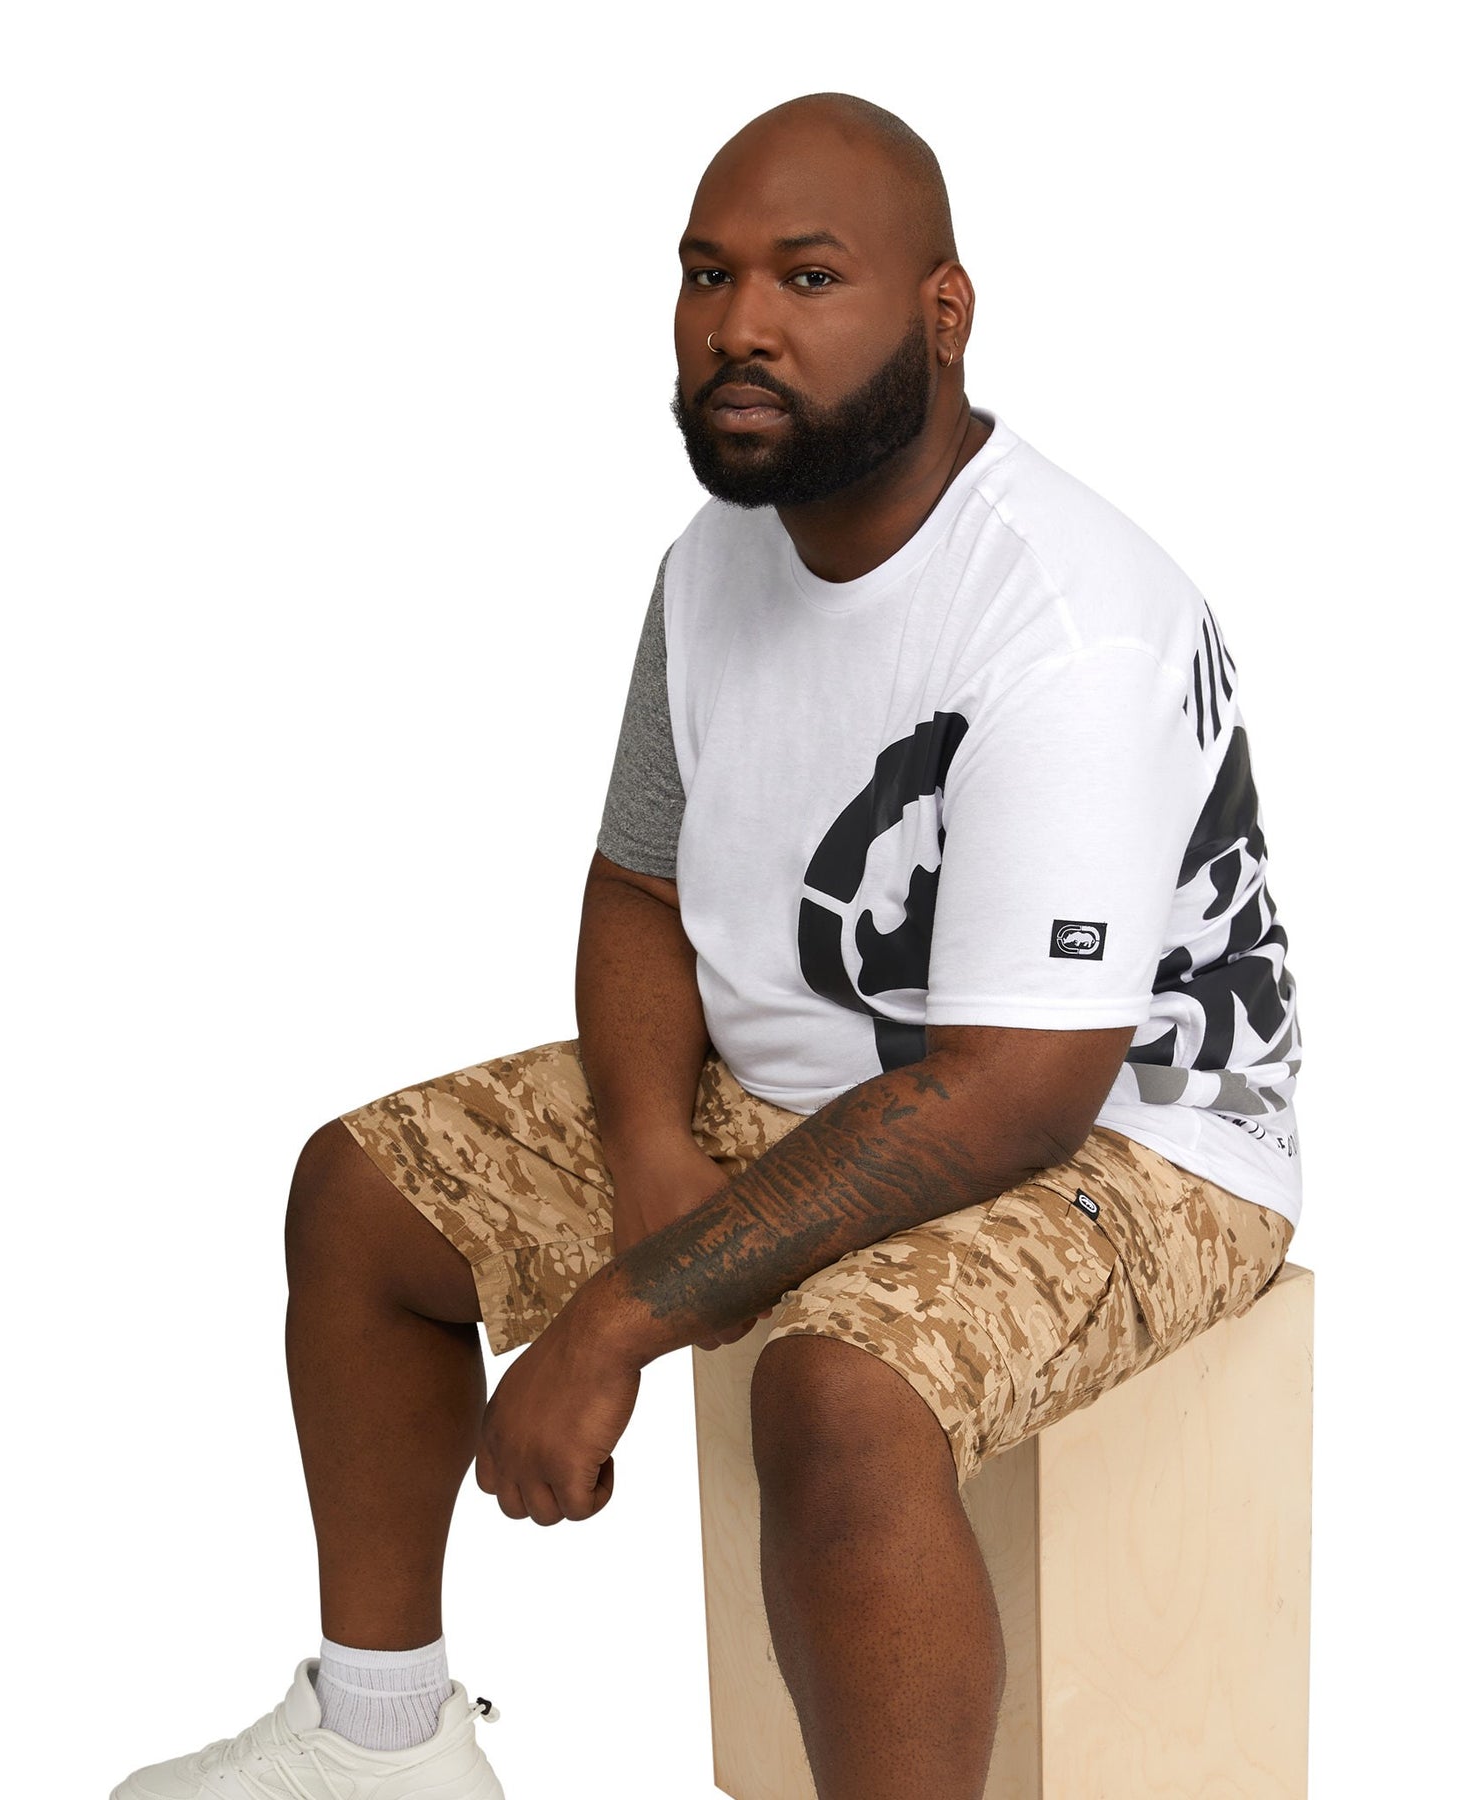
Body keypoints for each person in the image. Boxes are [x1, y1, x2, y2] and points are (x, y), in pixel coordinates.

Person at [112, 90, 1303, 1800]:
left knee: (836, 1394)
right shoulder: (711, 563)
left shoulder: (1068, 618)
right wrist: (648, 1147)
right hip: (807, 1075)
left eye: (807, 278)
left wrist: (616, 1319)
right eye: (706, 275)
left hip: (1133, 1144)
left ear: (943, 314)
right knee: (365, 1200)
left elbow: (1016, 1095)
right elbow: (640, 888)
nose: (739, 325)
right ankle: (385, 1744)